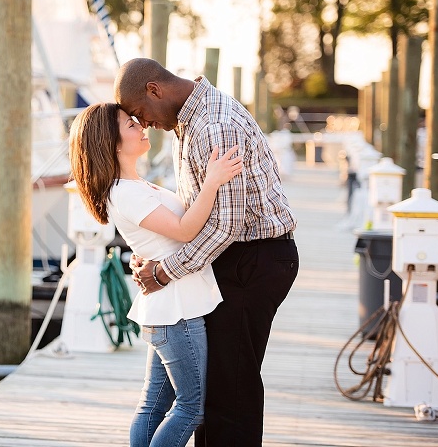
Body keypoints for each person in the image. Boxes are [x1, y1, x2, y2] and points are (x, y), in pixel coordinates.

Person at [114, 57, 299, 447]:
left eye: (139, 113)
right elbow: (195, 212)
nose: (143, 123)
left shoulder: (214, 125)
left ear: (154, 90)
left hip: (253, 257)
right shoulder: (191, 119)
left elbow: (226, 225)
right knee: (219, 387)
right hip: (234, 257)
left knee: (230, 391)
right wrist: (153, 253)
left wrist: (165, 271)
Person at [68, 102, 243, 447]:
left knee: (155, 404)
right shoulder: (127, 191)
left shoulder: (135, 186)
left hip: (169, 308)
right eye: (129, 125)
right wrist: (213, 181)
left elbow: (155, 236)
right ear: (113, 143)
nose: (140, 126)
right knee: (191, 408)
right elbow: (184, 230)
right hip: (176, 312)